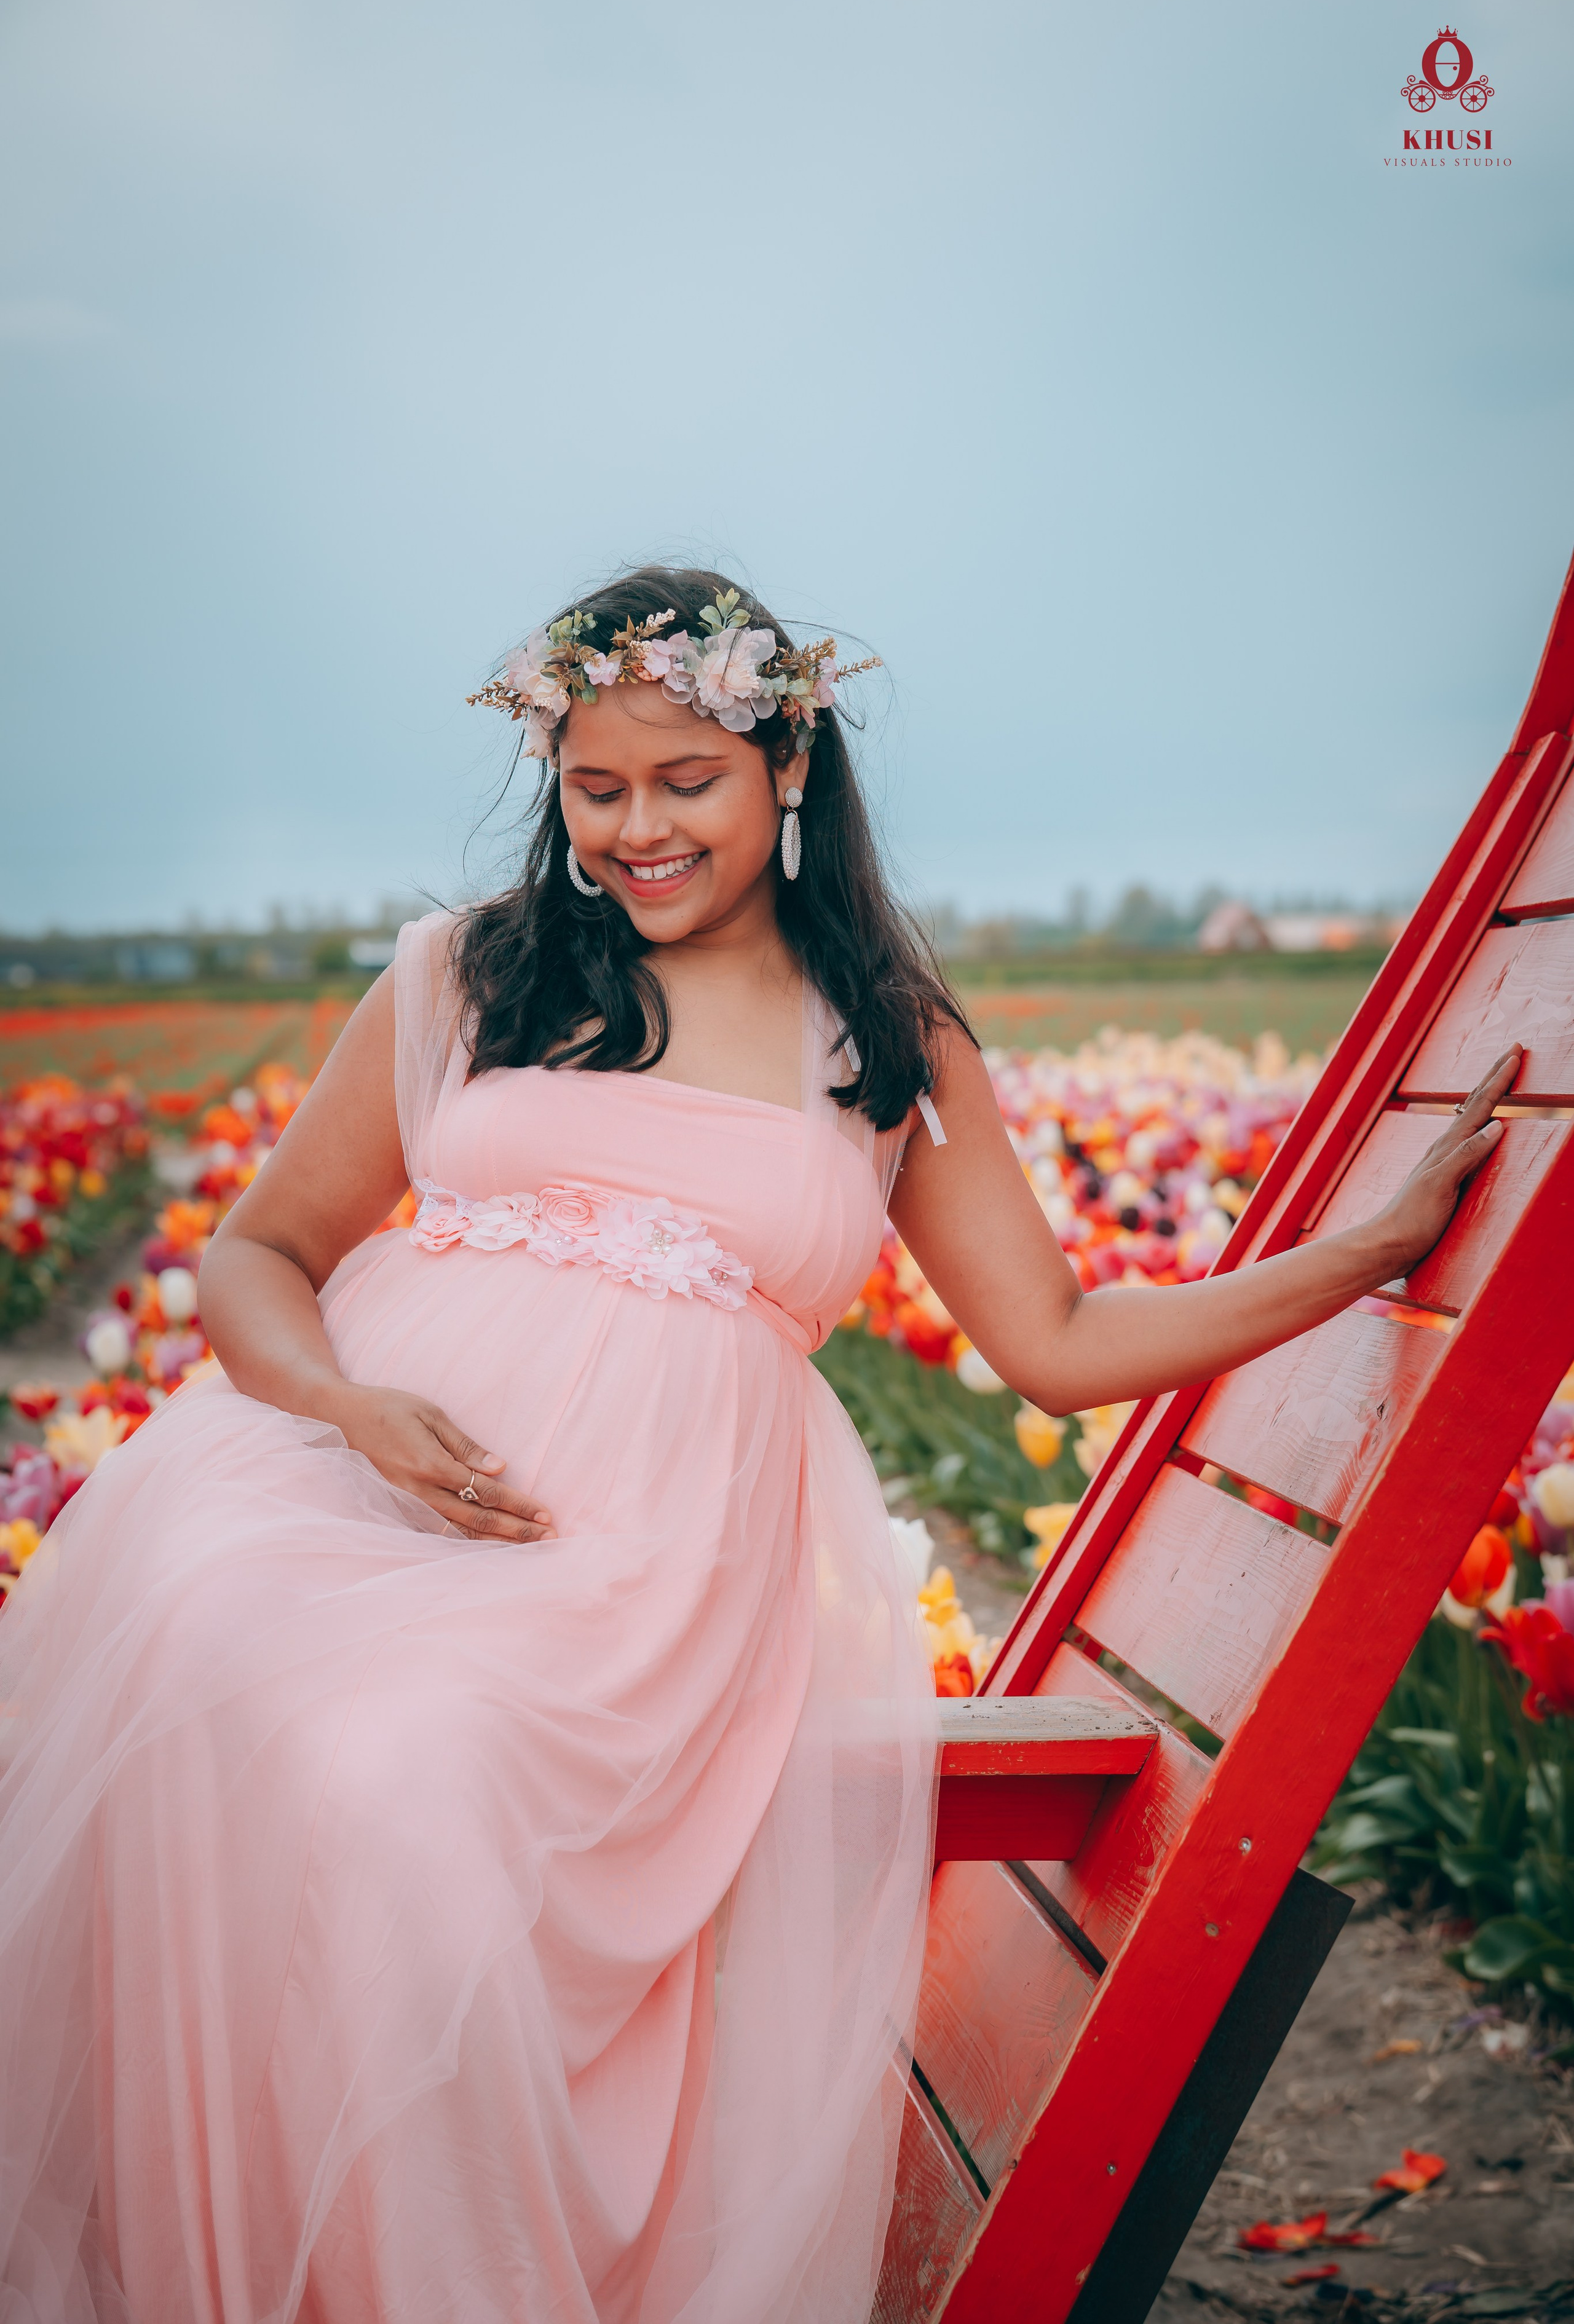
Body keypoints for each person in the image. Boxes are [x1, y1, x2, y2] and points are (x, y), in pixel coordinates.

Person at [0, 565, 1514, 2324]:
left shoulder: (881, 1030)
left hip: (635, 1588)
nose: (637, 831)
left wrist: (1358, 1257)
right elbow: (258, 1250)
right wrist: (345, 1407)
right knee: (233, 1704)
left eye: (686, 781)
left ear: (787, 761)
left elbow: (1059, 1344)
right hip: (359, 1502)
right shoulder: (463, 977)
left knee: (398, 1781)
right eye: (597, 788)